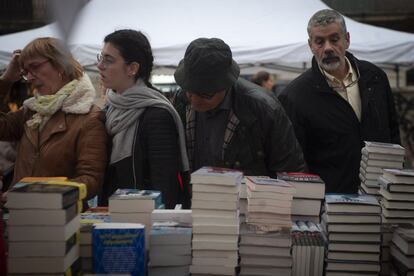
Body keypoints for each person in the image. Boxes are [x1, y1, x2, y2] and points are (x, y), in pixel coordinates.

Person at [278, 9, 401, 193]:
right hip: (333, 205)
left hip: (382, 196)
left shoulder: (375, 78)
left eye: (334, 39)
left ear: (347, 40)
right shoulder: (295, 96)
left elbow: (393, 133)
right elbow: (296, 161)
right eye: (320, 41)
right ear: (311, 45)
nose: (327, 48)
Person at [173, 37, 305, 176]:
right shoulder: (181, 101)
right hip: (194, 194)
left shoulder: (263, 108)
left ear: (226, 85)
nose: (194, 100)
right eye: (189, 91)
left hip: (248, 196)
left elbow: (290, 169)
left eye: (205, 94)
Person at [0, 38, 107, 200]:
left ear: (61, 65)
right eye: (25, 72)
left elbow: (90, 181)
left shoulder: (89, 118)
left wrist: (33, 194)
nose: (29, 77)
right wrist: (7, 79)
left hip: (61, 218)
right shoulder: (31, 111)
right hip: (19, 215)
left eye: (34, 67)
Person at [98, 29, 190, 209]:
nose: (100, 65)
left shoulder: (156, 114)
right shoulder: (111, 107)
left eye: (108, 60)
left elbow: (165, 184)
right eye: (100, 57)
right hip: (112, 214)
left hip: (141, 218)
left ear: (132, 68)